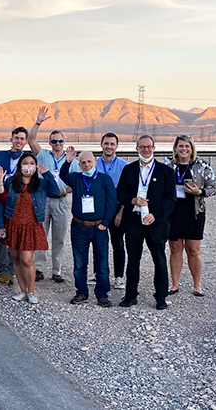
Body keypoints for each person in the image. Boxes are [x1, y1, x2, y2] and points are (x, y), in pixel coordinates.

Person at [116, 135, 176, 310]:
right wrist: (133, 200)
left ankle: (161, 297)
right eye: (142, 147)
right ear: (137, 148)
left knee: (159, 259)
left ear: (154, 148)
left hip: (155, 223)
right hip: (134, 221)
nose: (146, 150)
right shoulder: (129, 169)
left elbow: (170, 199)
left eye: (149, 147)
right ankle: (130, 295)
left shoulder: (165, 172)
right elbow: (121, 192)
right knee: (133, 259)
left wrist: (155, 216)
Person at [0, 153, 60, 304]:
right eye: (25, 163)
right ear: (20, 166)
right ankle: (22, 290)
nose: (28, 166)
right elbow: (1, 201)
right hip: (13, 225)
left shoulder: (41, 183)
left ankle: (31, 291)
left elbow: (55, 192)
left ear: (35, 166)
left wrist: (47, 174)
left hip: (31, 226)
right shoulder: (11, 182)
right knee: (16, 259)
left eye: (31, 163)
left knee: (27, 260)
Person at [60, 149, 117, 307]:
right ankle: (81, 292)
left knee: (102, 262)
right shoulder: (76, 178)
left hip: (99, 227)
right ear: (79, 164)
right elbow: (63, 175)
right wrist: (68, 161)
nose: (86, 165)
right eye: (83, 162)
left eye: (89, 162)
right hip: (79, 226)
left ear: (95, 162)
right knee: (79, 262)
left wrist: (105, 223)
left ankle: (102, 294)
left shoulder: (105, 179)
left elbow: (112, 202)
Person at [164, 135, 216, 296]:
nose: (184, 149)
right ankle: (174, 284)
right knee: (175, 248)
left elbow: (213, 187)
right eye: (181, 146)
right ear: (175, 148)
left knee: (193, 250)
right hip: (173, 212)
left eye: (187, 146)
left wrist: (199, 191)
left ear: (192, 148)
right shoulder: (168, 165)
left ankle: (197, 285)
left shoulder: (201, 165)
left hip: (194, 212)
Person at [28, 108, 69, 283]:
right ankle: (38, 268)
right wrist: (38, 122)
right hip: (43, 199)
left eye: (60, 140)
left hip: (62, 200)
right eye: (54, 141)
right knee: (40, 234)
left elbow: (76, 182)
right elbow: (30, 140)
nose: (57, 143)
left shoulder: (70, 159)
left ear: (63, 142)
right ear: (50, 142)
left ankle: (56, 270)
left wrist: (64, 191)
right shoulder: (43, 154)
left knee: (59, 237)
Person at [0, 125, 33, 285]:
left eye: (22, 139)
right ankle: (3, 271)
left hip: (19, 205)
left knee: (16, 239)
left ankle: (14, 270)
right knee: (0, 237)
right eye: (16, 138)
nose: (19, 141)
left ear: (26, 141)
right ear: (11, 139)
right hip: (0, 202)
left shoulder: (28, 159)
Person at [96, 133, 129, 290]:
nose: (109, 146)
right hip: (98, 210)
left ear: (116, 146)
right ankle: (99, 274)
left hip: (117, 210)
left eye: (112, 144)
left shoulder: (124, 166)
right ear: (101, 144)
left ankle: (118, 276)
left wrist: (121, 211)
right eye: (106, 143)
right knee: (99, 244)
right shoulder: (94, 164)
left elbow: (127, 191)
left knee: (118, 244)